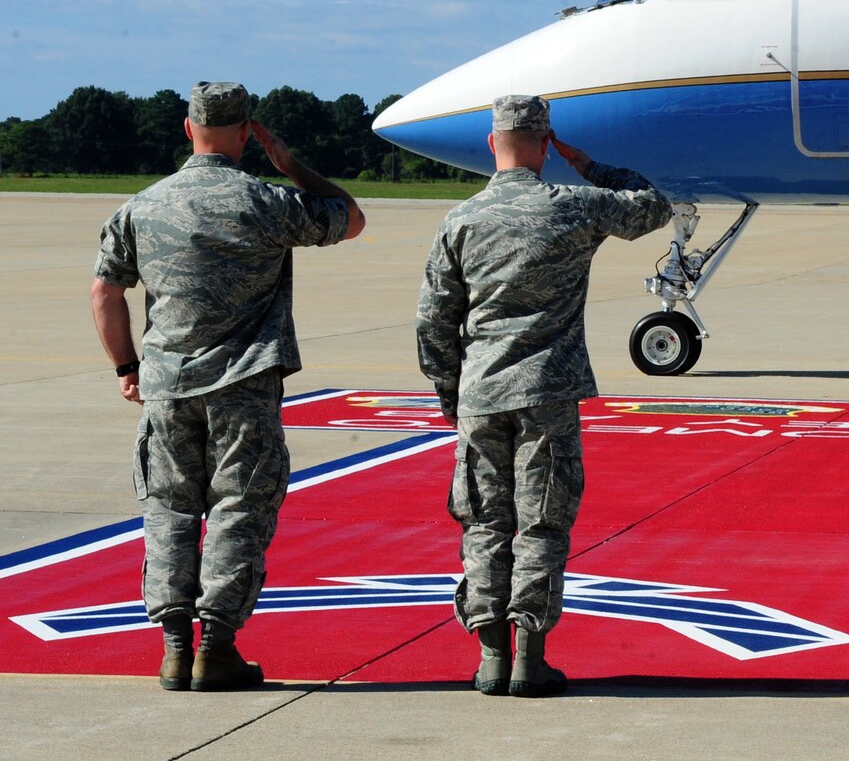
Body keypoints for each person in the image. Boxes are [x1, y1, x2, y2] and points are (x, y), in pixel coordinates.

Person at [90, 81, 365, 691]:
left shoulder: (142, 206)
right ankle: (216, 644)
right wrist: (294, 166)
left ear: (188, 129)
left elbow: (106, 290)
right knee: (239, 507)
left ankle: (172, 644)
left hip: (167, 384)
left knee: (169, 508)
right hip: (243, 382)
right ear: (247, 132)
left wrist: (126, 366)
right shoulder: (267, 200)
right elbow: (350, 220)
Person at [415, 95, 674, 697]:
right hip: (548, 391)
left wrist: (453, 393)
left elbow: (433, 323)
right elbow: (652, 207)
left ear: (491, 143)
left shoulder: (461, 220)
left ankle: (489, 657)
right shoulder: (574, 206)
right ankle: (530, 656)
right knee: (541, 524)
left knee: (484, 522)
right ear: (544, 144)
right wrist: (589, 167)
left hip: (481, 393)